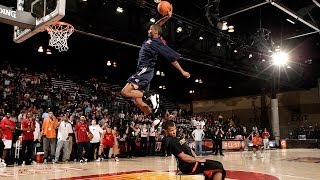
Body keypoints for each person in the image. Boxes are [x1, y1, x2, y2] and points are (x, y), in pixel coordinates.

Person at [121, 7, 190, 127]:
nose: (149, 29)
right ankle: (154, 119)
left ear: (156, 32)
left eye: (151, 29)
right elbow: (158, 24)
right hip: (143, 70)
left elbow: (172, 58)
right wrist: (167, 17)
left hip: (145, 70)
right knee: (137, 101)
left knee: (125, 92)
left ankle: (151, 96)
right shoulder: (151, 37)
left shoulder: (158, 43)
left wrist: (182, 71)